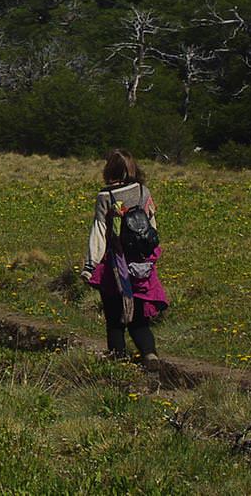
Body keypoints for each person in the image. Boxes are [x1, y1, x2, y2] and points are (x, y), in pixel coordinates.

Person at [81, 148, 167, 360]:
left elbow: (99, 232)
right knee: (139, 320)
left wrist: (90, 266)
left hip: (115, 265)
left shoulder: (105, 196)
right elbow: (152, 225)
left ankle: (118, 359)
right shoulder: (142, 191)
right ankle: (149, 354)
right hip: (141, 264)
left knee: (114, 319)